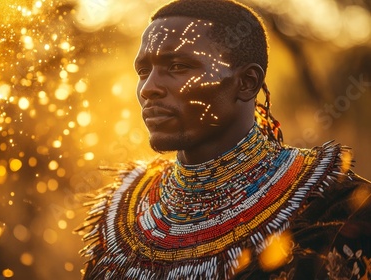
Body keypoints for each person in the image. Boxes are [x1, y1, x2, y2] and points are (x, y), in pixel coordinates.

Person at [75, 0, 371, 279]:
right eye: (143, 71)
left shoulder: (338, 209)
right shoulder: (124, 215)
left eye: (178, 66)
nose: (148, 88)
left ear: (246, 83)